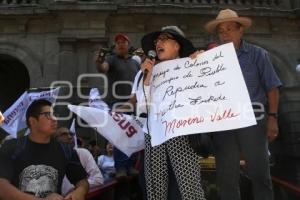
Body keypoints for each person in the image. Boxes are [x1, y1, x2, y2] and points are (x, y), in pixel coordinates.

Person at [204, 9, 282, 200]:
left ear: (241, 31)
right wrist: (194, 62)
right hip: (224, 125)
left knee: (260, 175)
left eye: (230, 29)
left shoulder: (258, 55)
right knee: (226, 177)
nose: (225, 34)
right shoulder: (211, 59)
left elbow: (272, 87)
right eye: (221, 31)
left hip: (253, 122)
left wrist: (272, 118)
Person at [135, 25, 206, 200]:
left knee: (190, 187)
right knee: (155, 190)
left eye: (165, 39)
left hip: (180, 132)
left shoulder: (192, 66)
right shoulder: (146, 73)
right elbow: (142, 110)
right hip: (154, 135)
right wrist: (147, 78)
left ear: (177, 46)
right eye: (157, 40)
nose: (159, 43)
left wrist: (201, 64)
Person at [0, 99, 89, 200]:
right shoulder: (12, 147)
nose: (55, 119)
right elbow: (2, 187)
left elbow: (82, 180)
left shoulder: (66, 150)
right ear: (33, 121)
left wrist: (80, 191)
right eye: (48, 115)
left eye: (55, 114)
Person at [95, 33, 140, 178]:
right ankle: (120, 167)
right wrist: (99, 59)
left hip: (134, 103)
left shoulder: (135, 62)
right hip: (117, 103)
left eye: (124, 42)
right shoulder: (111, 59)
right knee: (120, 135)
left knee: (132, 134)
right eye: (118, 42)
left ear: (128, 45)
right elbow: (102, 68)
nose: (121, 44)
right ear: (115, 46)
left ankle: (130, 165)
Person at [55, 127, 104, 195]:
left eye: (71, 134)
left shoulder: (83, 153)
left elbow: (98, 180)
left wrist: (79, 187)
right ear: (54, 139)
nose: (69, 137)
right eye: (64, 134)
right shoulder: (50, 158)